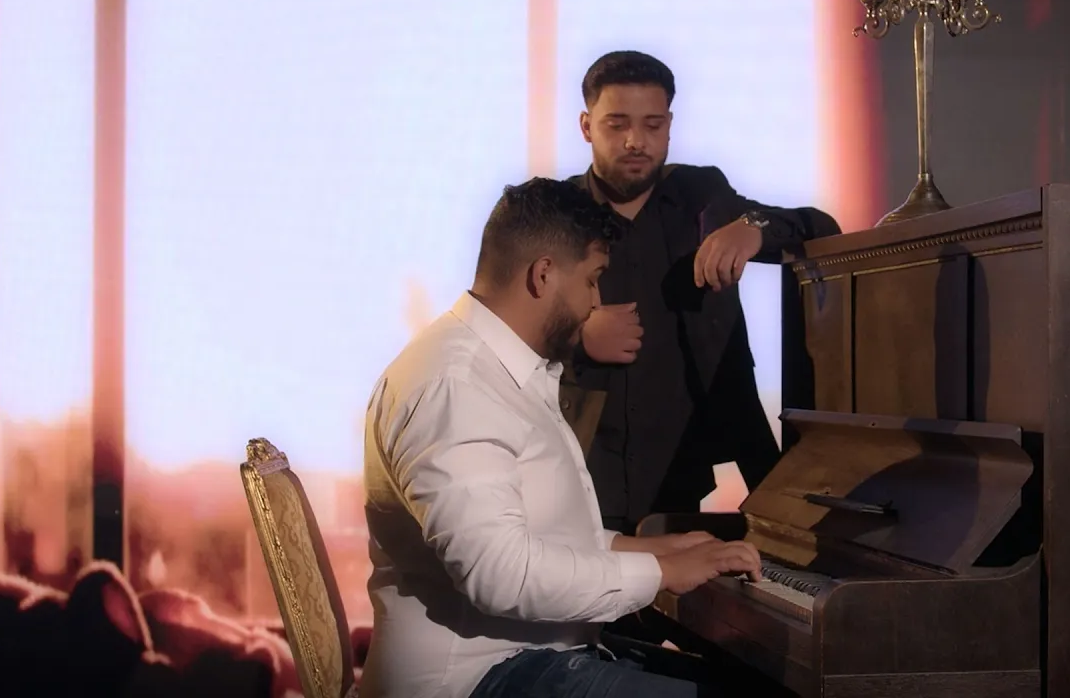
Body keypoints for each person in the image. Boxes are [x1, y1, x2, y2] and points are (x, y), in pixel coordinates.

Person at [358, 177, 764, 698]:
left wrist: (654, 547)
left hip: (527, 657)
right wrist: (660, 572)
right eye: (592, 281)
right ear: (543, 274)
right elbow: (499, 573)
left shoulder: (498, 371)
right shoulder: (456, 386)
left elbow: (537, 539)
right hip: (469, 680)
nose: (596, 302)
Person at [562, 50, 841, 537]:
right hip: (578, 467)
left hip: (683, 470)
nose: (635, 141)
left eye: (652, 125)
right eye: (617, 124)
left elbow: (821, 228)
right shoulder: (555, 211)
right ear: (587, 126)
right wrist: (577, 337)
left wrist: (753, 226)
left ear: (669, 126)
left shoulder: (701, 195)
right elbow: (504, 321)